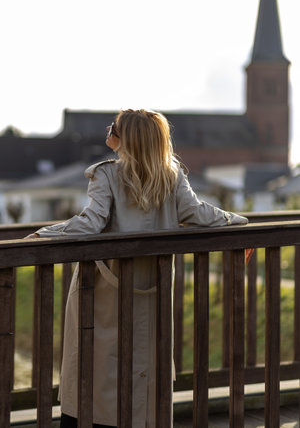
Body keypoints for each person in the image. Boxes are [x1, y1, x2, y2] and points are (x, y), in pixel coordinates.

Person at [27, 109, 249, 428]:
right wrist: (237, 221)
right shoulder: (172, 176)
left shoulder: (106, 174)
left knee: (94, 364)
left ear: (125, 137)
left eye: (113, 127)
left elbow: (91, 222)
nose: (108, 130)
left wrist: (43, 234)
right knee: (144, 363)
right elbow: (199, 214)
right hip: (152, 288)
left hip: (102, 288)